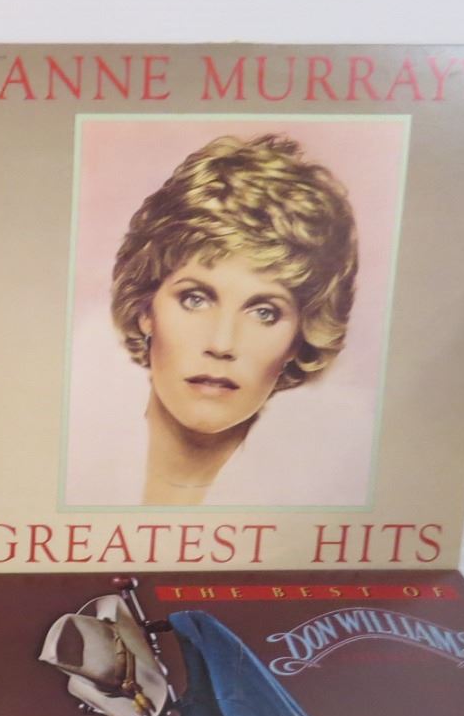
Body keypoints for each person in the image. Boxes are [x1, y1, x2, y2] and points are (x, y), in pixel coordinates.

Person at [97, 133, 359, 507]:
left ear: (298, 339)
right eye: (195, 299)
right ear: (145, 310)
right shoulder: (76, 448)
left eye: (264, 312)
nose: (222, 344)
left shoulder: (319, 494)